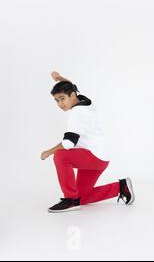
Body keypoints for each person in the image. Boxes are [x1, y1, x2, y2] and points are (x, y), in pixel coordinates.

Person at [40, 71, 135, 213]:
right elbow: (74, 88)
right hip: (100, 158)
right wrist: (61, 79)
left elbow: (68, 144)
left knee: (60, 156)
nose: (60, 104)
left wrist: (48, 152)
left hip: (94, 157)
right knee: (82, 197)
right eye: (57, 100)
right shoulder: (86, 103)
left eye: (62, 98)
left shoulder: (76, 115)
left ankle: (70, 200)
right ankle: (121, 188)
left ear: (72, 95)